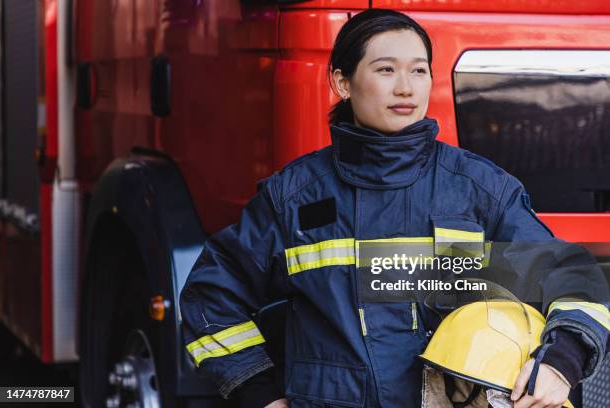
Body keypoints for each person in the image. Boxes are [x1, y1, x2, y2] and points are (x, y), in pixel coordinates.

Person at [179, 9, 609, 408]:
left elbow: (569, 279)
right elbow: (211, 297)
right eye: (386, 70)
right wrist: (260, 395)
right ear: (342, 83)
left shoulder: (479, 190)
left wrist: (559, 362)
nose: (406, 87)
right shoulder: (294, 198)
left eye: (418, 71)